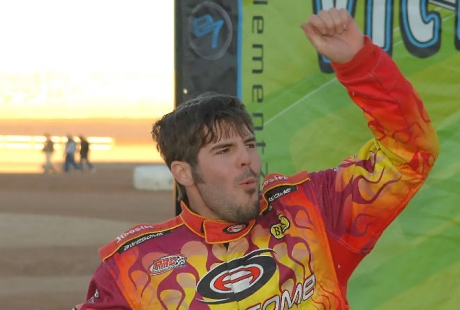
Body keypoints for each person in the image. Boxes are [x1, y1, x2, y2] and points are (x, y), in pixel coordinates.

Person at [73, 8, 439, 310]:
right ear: (183, 172)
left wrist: (359, 64)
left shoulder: (313, 210)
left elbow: (409, 153)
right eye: (224, 151)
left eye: (248, 144)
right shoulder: (132, 269)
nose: (246, 159)